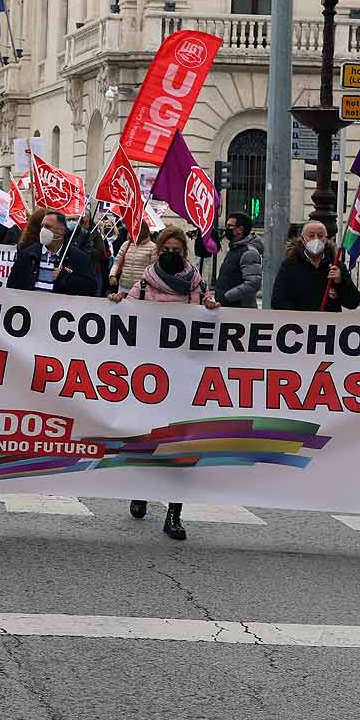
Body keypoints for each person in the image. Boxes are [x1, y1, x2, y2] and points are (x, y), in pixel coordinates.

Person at [106, 226, 216, 542]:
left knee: (180, 443)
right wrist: (118, 300)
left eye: (177, 250)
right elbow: (125, 312)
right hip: (150, 379)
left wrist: (209, 307)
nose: (171, 254)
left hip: (183, 375)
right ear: (158, 252)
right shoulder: (143, 285)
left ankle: (174, 514)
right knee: (148, 438)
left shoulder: (197, 284)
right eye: (166, 249)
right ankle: (142, 490)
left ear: (185, 253)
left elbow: (208, 312)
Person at [271, 220, 360, 312]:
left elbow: (353, 302)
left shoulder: (336, 266)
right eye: (311, 235)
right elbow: (278, 301)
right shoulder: (290, 265)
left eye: (320, 236)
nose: (316, 239)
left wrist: (341, 281)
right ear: (303, 239)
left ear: (326, 239)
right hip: (300, 324)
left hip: (328, 324)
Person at [8, 210, 99, 296]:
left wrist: (65, 278)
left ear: (62, 230)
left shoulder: (79, 258)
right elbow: (12, 286)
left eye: (48, 227)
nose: (43, 230)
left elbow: (91, 288)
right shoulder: (27, 255)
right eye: (42, 226)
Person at [212, 211, 262, 309]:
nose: (226, 229)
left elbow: (253, 284)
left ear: (240, 229)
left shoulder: (249, 253)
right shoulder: (234, 250)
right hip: (228, 308)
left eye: (230, 226)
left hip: (239, 311)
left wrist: (227, 297)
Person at [110, 224, 157, 297]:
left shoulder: (153, 247)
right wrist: (112, 275)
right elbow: (117, 263)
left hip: (141, 288)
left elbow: (153, 269)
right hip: (124, 286)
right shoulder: (126, 244)